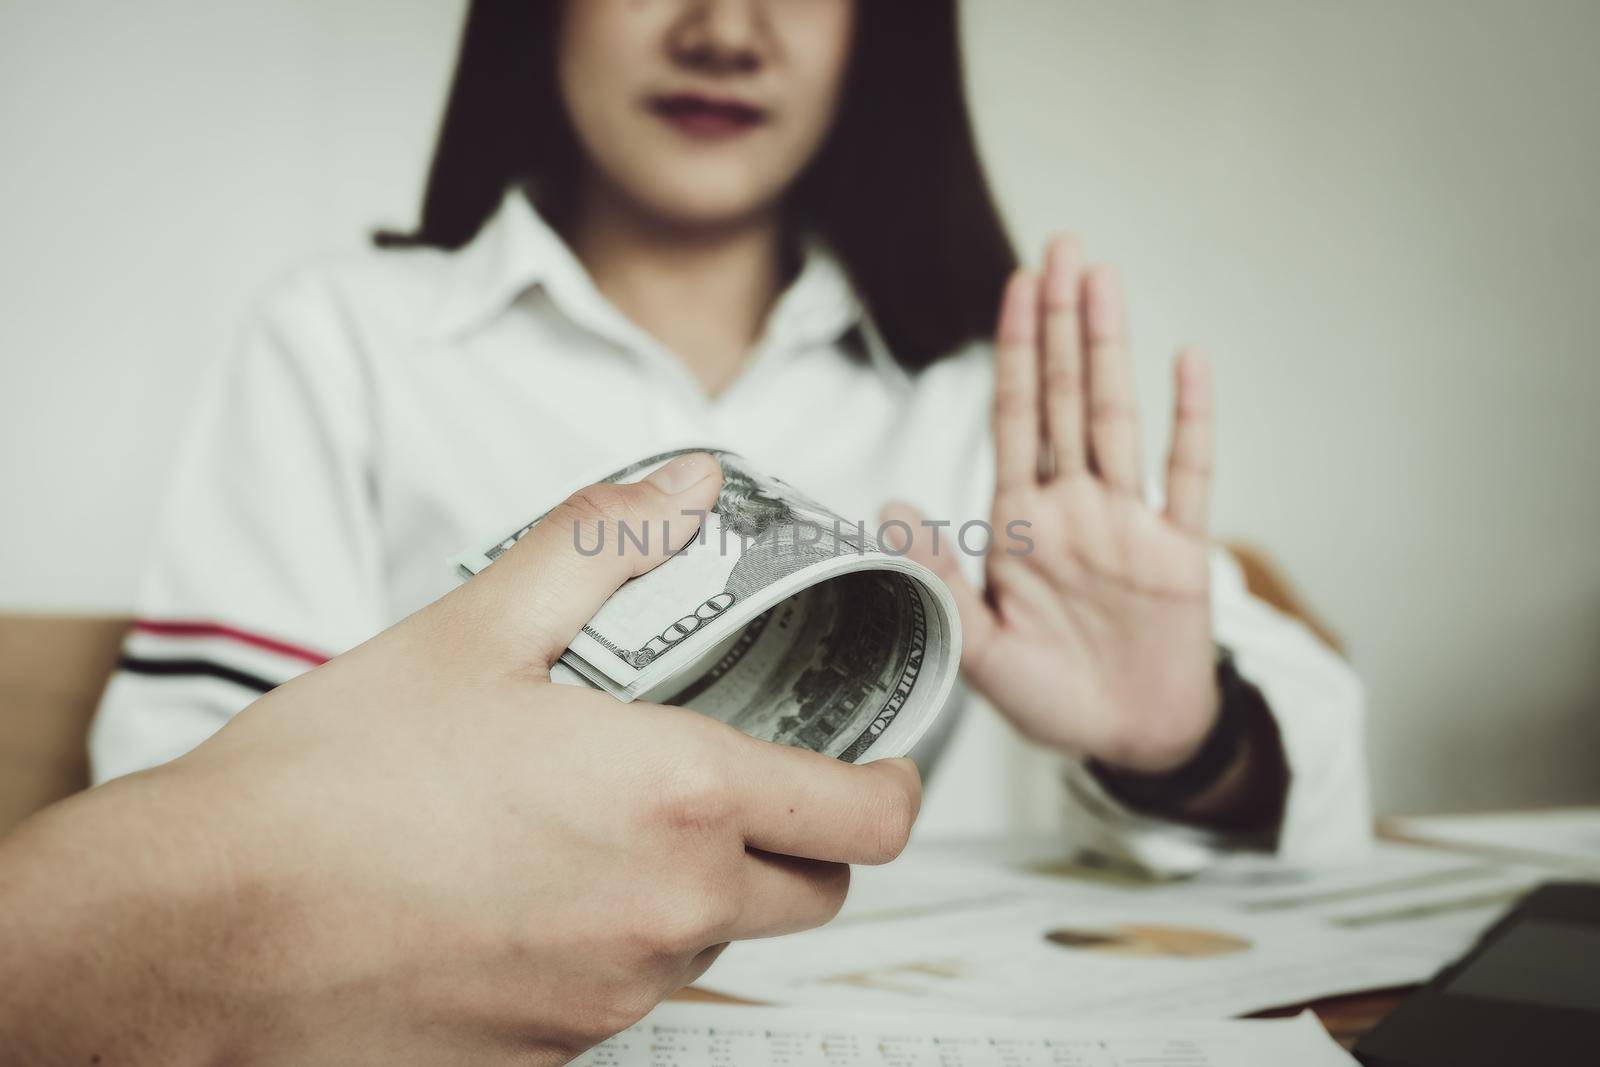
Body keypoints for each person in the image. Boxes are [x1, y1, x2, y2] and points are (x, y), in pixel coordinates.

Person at [91, 0, 1369, 874]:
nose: (722, 29)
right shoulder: (343, 339)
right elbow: (171, 818)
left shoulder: (986, 400)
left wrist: (1189, 744)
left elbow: (1321, 806)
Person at [1, 457, 923, 1066]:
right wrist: (256, 912)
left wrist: (1076, 735)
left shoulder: (973, 380)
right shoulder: (341, 329)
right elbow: (181, 772)